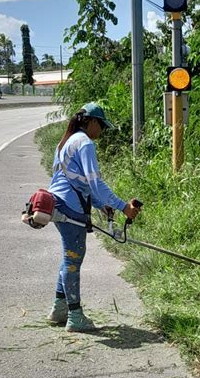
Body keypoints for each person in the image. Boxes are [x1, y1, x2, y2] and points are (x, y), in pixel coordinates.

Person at [47, 102, 140, 332]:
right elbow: (94, 182)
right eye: (102, 126)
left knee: (69, 257)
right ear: (92, 122)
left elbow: (77, 181)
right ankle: (75, 316)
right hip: (70, 207)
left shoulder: (65, 142)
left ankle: (60, 308)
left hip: (58, 203)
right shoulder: (84, 142)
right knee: (73, 259)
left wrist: (101, 205)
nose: (102, 132)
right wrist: (122, 207)